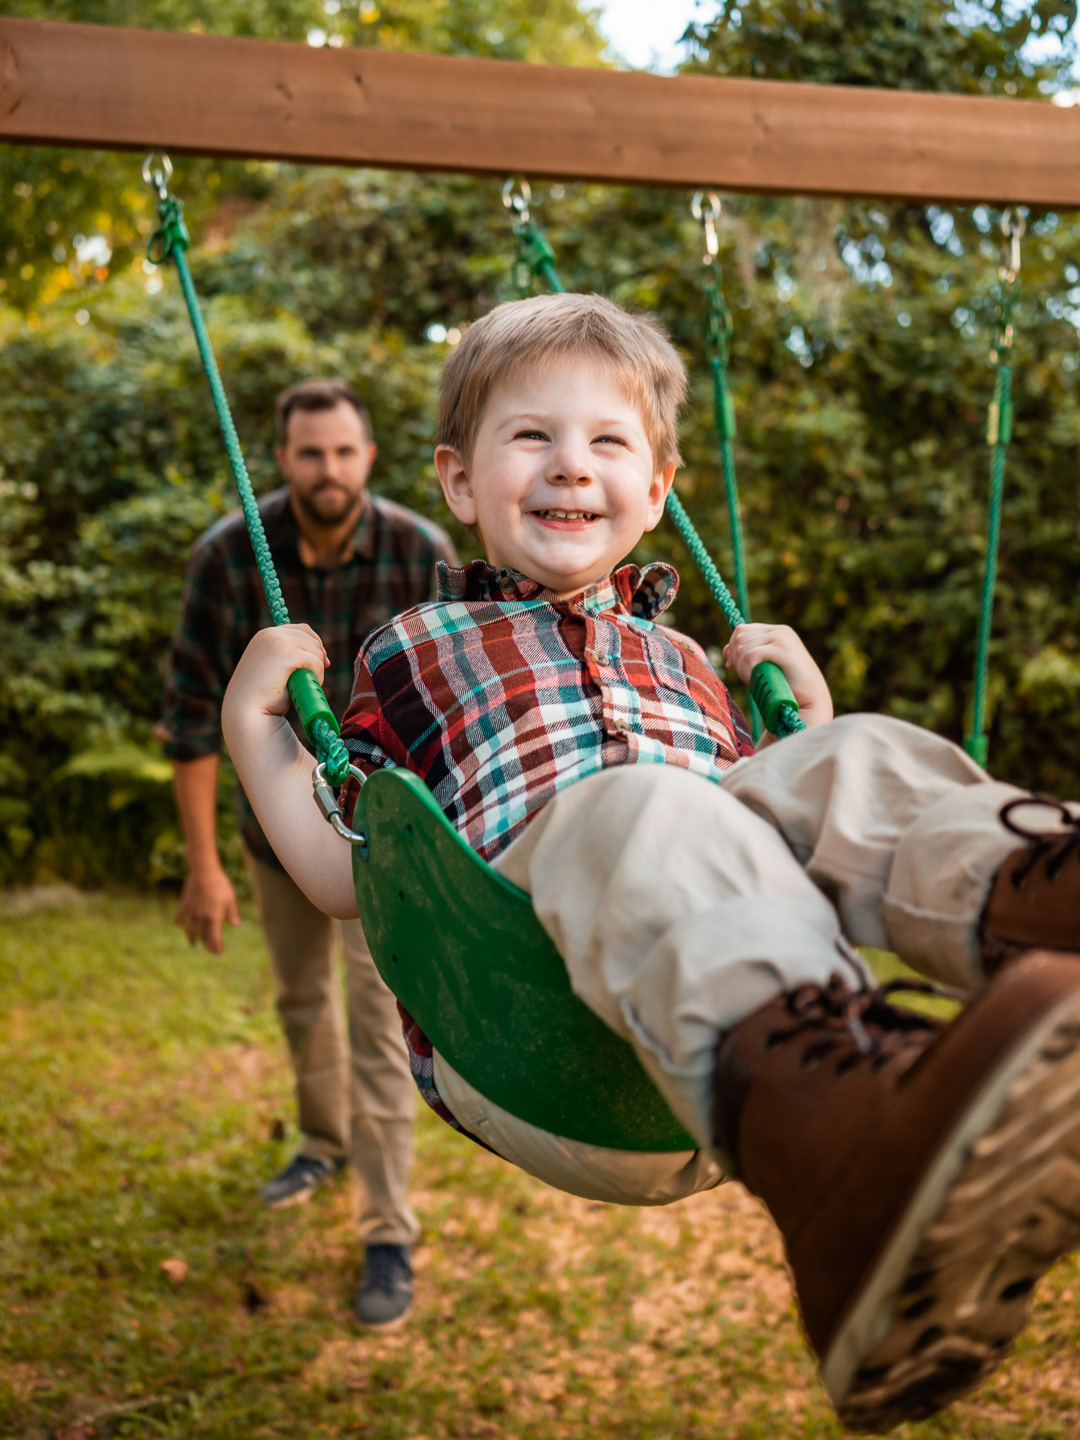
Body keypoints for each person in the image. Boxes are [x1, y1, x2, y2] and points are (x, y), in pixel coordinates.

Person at [219, 295, 1080, 1430]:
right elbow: (350, 875)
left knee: (851, 756)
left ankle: (1035, 908)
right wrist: (256, 725)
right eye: (530, 436)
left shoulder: (687, 656)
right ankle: (837, 1149)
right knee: (641, 812)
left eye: (608, 441)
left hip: (737, 983)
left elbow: (773, 832)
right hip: (532, 1017)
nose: (571, 465)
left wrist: (806, 718)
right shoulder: (410, 649)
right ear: (459, 480)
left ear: (659, 489)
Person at [158, 377, 458, 1327]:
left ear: (367, 457)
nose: (328, 470)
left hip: (383, 834)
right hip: (270, 833)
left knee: (376, 1021)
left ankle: (386, 1231)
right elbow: (190, 723)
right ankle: (321, 1144)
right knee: (299, 1000)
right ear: (282, 460)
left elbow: (457, 708)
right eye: (309, 453)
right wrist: (204, 866)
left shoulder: (421, 550)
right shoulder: (227, 558)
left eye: (344, 452)